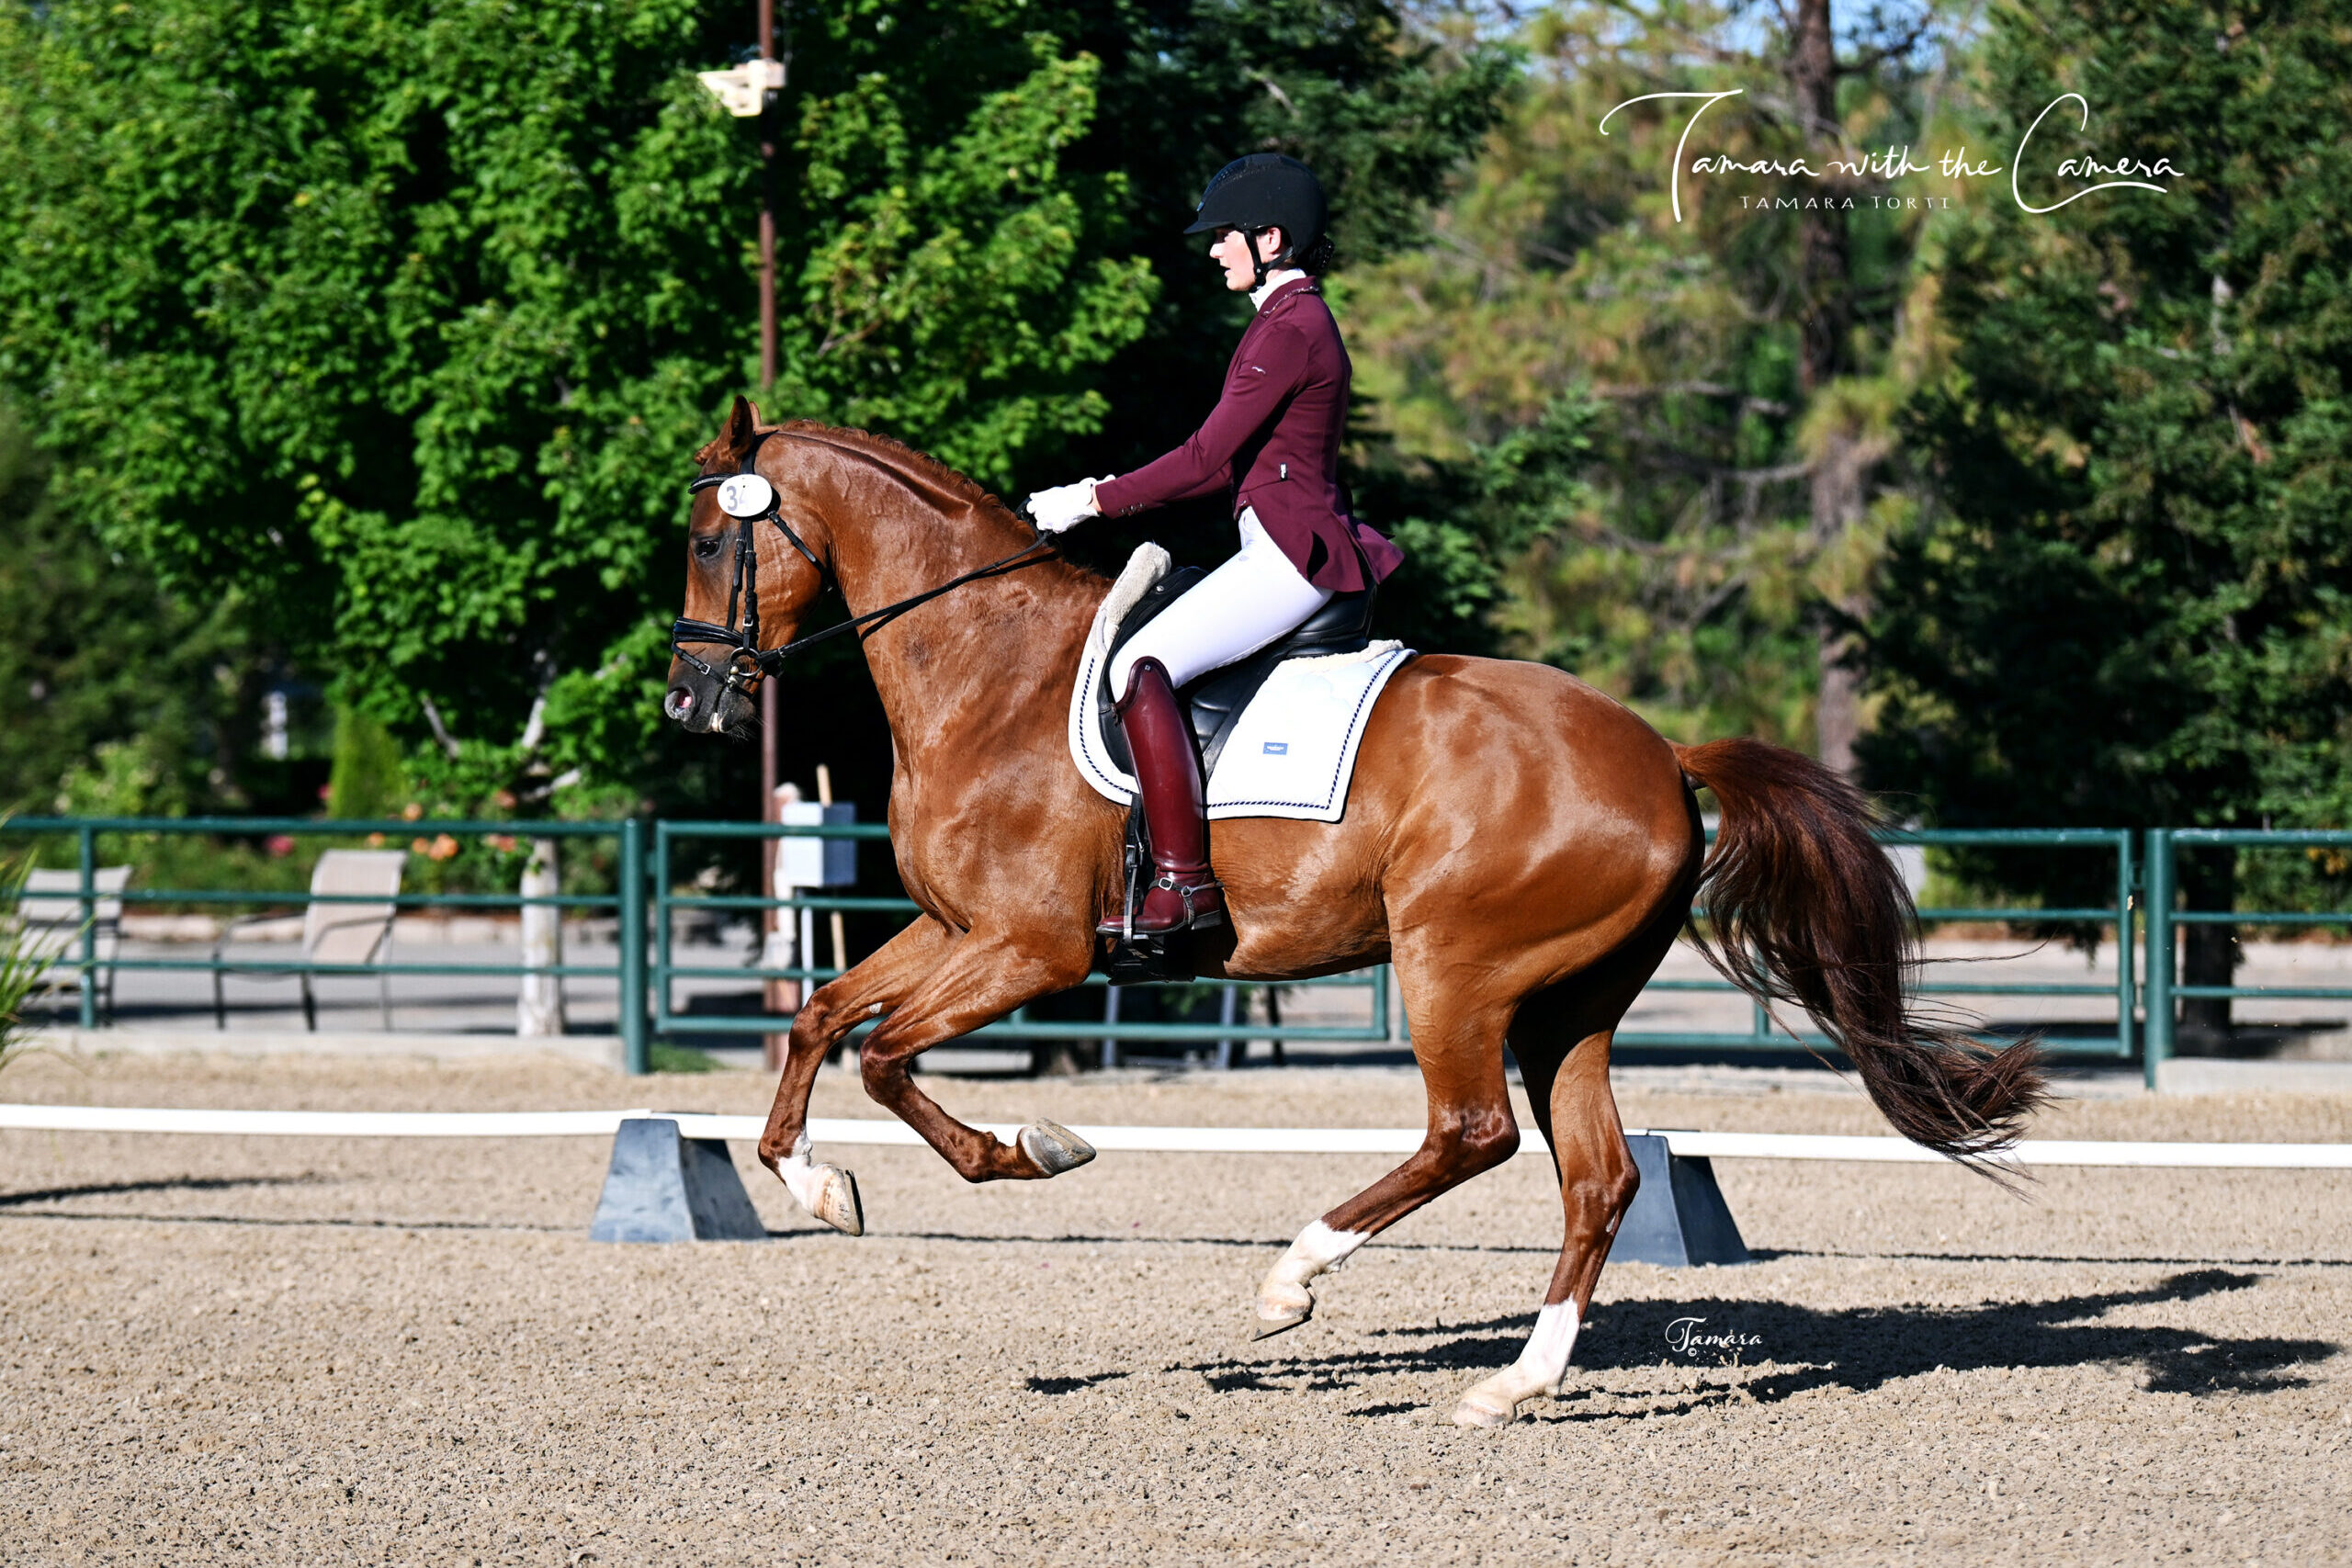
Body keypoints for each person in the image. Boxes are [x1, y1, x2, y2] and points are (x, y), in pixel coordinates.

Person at [1026, 153, 1405, 939]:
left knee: (1137, 666)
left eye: (1224, 236)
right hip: (1275, 543)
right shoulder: (1282, 323)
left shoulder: (1292, 329)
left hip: (1291, 555)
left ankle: (1183, 883)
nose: (1212, 251)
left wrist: (1089, 499)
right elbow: (1225, 466)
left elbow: (1203, 460)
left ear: (1271, 238)